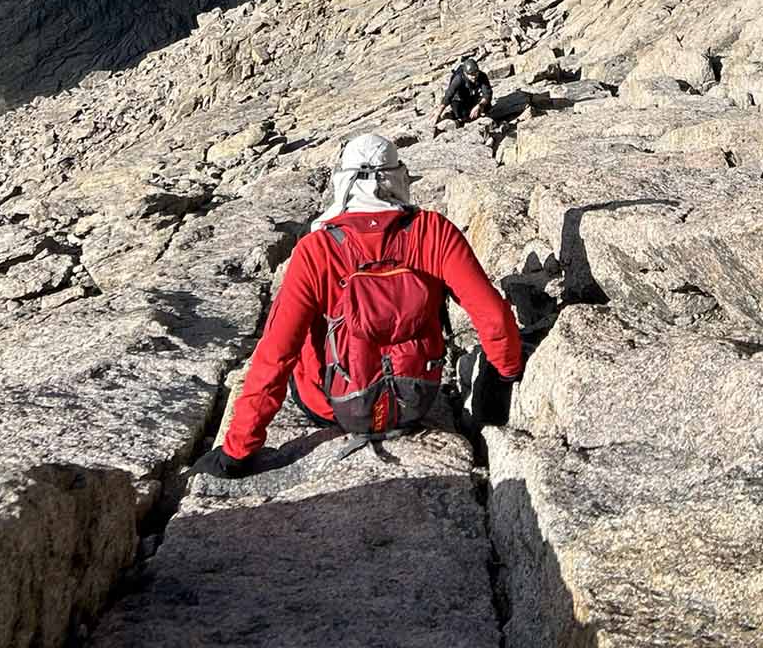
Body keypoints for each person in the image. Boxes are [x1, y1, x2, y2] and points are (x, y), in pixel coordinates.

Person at [202, 133, 524, 475]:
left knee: (296, 350)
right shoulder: (433, 232)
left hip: (330, 405)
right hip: (416, 399)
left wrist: (237, 451)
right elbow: (492, 314)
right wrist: (504, 379)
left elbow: (276, 354)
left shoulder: (317, 249)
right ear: (399, 176)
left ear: (344, 182)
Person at [432, 55, 493, 133]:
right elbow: (449, 95)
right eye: (471, 75)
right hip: (459, 98)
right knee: (462, 113)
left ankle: (476, 112)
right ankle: (458, 118)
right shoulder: (458, 79)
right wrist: (438, 112)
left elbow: (487, 93)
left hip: (472, 95)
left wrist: (479, 105)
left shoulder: (482, 76)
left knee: (486, 105)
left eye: (476, 73)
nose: (474, 76)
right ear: (465, 73)